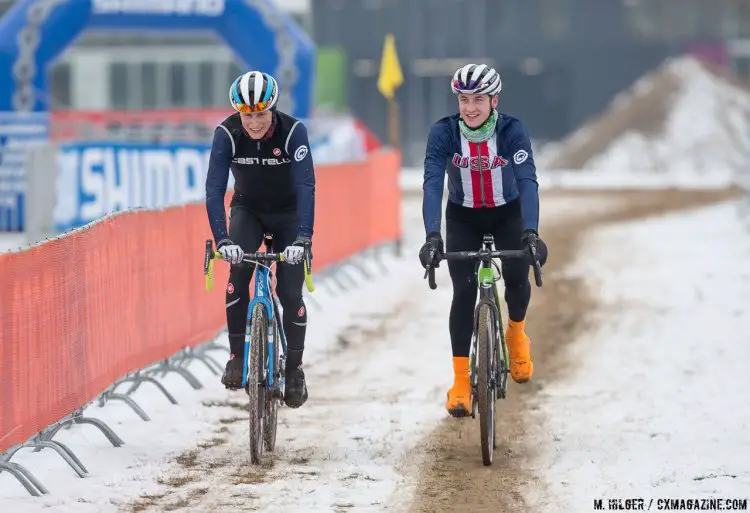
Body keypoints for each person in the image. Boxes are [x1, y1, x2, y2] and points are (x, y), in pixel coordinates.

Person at [418, 63, 548, 417]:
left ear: (494, 100)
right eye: (463, 99)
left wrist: (531, 232)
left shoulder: (512, 131)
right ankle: (461, 381)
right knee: (463, 291)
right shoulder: (443, 132)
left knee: (519, 278)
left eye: (478, 99)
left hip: (509, 212)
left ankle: (516, 334)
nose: (470, 107)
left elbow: (527, 181)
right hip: (463, 215)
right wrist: (432, 235)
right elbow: (432, 184)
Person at [205, 70, 315, 409]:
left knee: (289, 291)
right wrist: (223, 241)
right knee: (238, 276)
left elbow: (305, 187)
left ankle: (295, 370)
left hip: (289, 214)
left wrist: (303, 238)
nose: (253, 123)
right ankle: (237, 356)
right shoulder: (227, 133)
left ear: (273, 110)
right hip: (248, 210)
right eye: (247, 115)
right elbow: (213, 190)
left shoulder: (293, 131)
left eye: (261, 114)